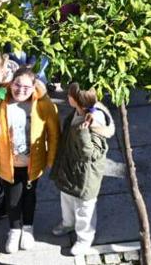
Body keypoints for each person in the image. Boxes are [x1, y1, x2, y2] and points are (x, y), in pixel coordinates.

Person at [0, 66, 60, 254]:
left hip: (33, 163)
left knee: (29, 196)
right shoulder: (0, 101)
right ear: (11, 82)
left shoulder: (43, 104)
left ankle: (28, 228)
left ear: (33, 88)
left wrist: (51, 160)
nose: (20, 90)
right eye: (17, 85)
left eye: (26, 87)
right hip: (9, 163)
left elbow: (54, 134)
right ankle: (14, 230)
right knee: (12, 200)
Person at [50, 84, 116, 257]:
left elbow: (92, 154)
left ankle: (84, 239)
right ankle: (68, 223)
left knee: (84, 209)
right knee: (66, 198)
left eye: (69, 94)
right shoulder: (77, 112)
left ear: (76, 100)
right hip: (70, 168)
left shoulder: (95, 122)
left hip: (85, 176)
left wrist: (83, 133)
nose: (66, 96)